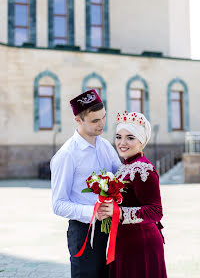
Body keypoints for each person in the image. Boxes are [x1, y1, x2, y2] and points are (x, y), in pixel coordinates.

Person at [50, 89, 121, 278]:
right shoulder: (66, 155)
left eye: (103, 117)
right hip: (83, 233)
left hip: (112, 229)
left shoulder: (106, 146)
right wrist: (93, 212)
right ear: (78, 120)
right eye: (95, 120)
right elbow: (58, 204)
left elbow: (121, 177)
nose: (102, 124)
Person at [97, 111, 167, 278]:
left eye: (130, 138)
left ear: (141, 141)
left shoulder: (144, 169)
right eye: (118, 137)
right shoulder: (124, 167)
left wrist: (120, 213)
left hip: (141, 244)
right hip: (124, 241)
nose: (122, 143)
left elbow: (155, 211)